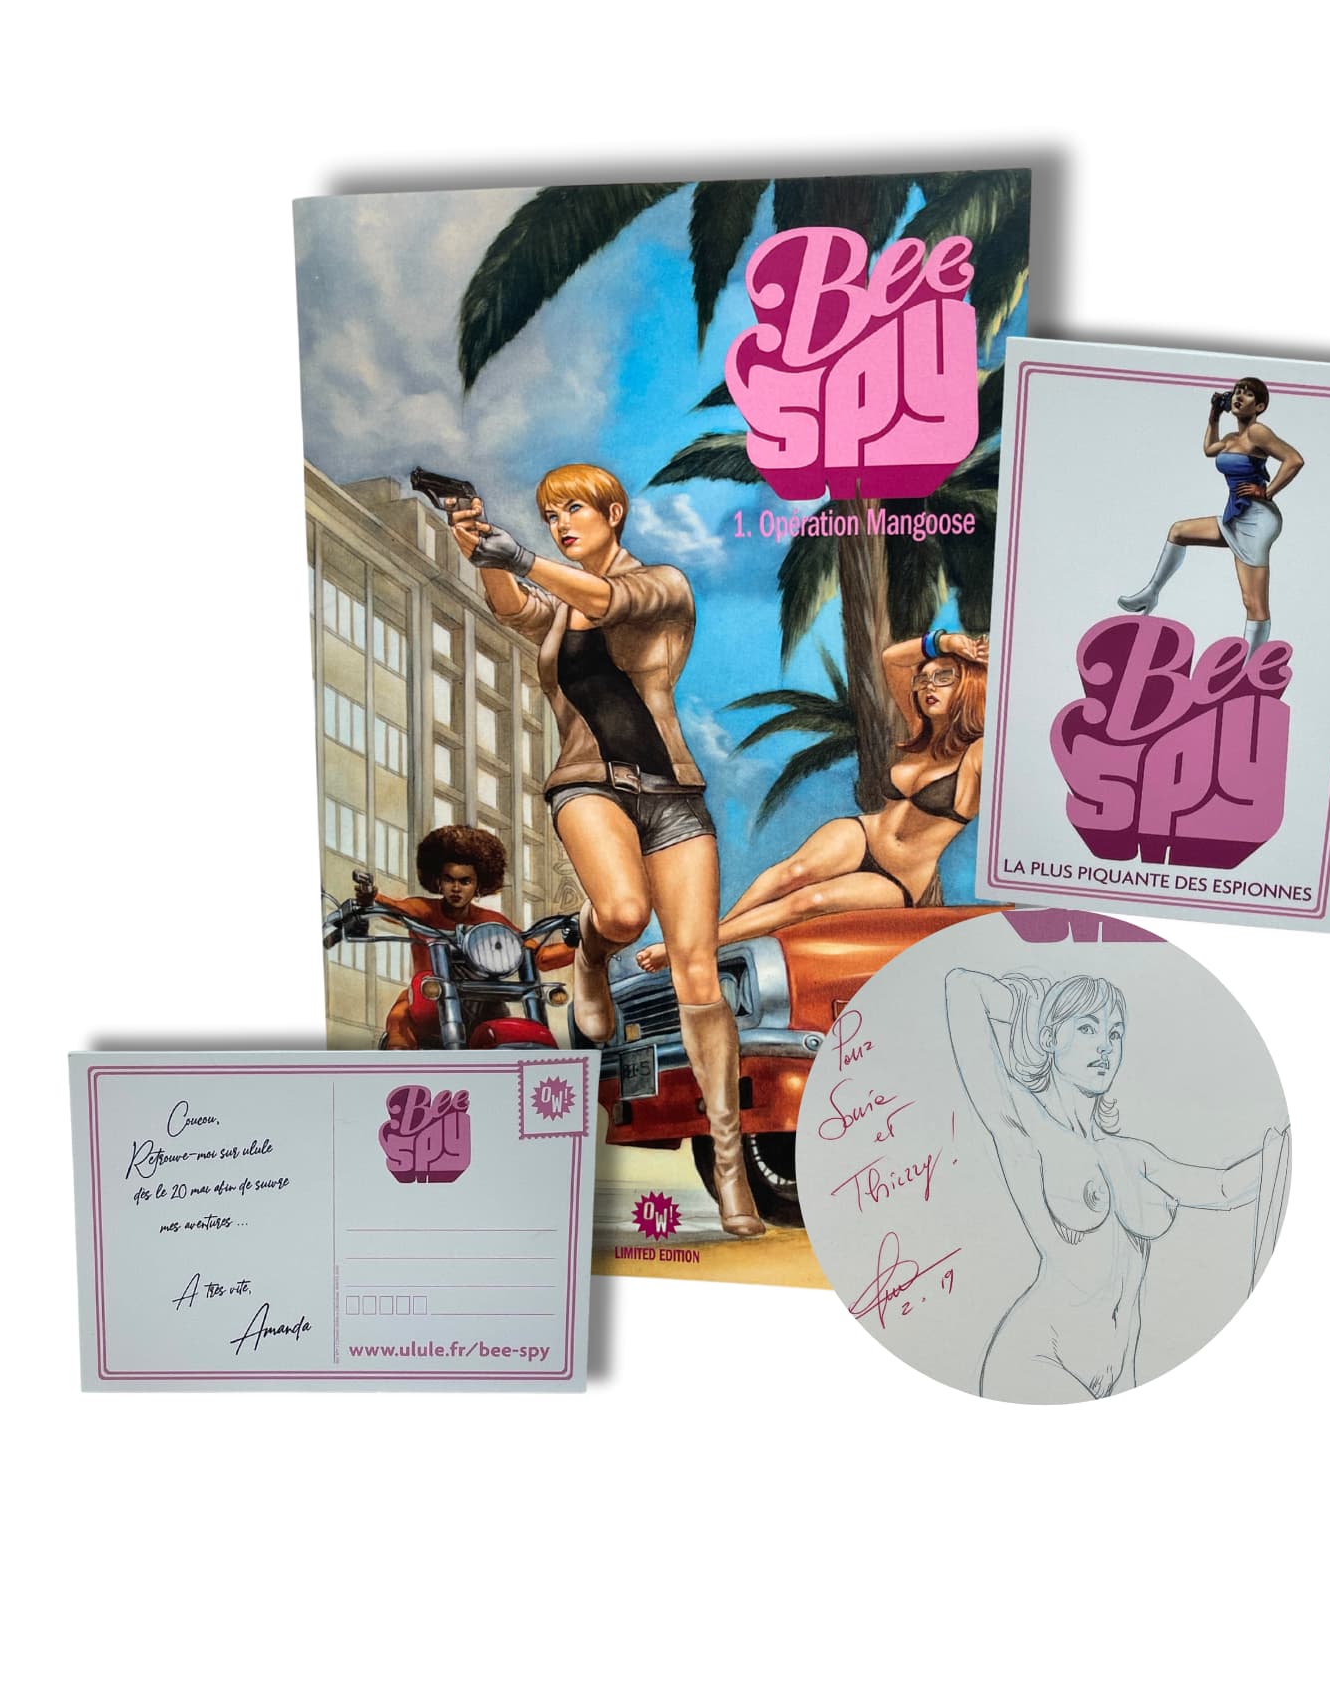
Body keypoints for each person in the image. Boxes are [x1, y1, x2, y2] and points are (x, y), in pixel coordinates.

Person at [443, 462, 764, 1238]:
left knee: (697, 972)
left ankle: (729, 1166)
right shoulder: (559, 610)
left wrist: (521, 556)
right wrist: (478, 550)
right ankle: (590, 957)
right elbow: (514, 605)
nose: (560, 525)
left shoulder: (664, 585)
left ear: (614, 513)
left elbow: (612, 601)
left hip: (672, 793)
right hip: (587, 784)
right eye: (551, 517)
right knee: (621, 912)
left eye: (573, 511)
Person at [945, 963, 1284, 1400]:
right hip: (1036, 1359)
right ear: (1049, 1038)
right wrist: (1030, 1007)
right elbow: (961, 987)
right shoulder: (1028, 1131)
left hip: (1115, 1378)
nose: (1105, 1046)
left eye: (1115, 1033)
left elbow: (1226, 1189)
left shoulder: (1133, 1157)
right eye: (1087, 1028)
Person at [634, 630, 987, 973]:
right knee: (791, 873)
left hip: (899, 877)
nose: (928, 686)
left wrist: (991, 663)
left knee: (808, 901)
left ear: (970, 685)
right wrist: (944, 642)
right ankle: (712, 940)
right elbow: (892, 658)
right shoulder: (918, 729)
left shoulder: (978, 753)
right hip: (862, 834)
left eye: (944, 677)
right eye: (923, 679)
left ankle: (688, 950)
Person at [1117, 377, 1304, 651]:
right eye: (1237, 391)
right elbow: (1208, 450)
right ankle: (1151, 593)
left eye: (1248, 394)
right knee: (1179, 531)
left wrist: (1267, 491)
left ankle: (1251, 663)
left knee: (1253, 601)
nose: (1239, 396)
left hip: (1257, 518)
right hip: (1235, 516)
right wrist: (1214, 416)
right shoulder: (1230, 439)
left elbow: (1294, 460)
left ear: (1260, 406)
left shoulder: (1258, 432)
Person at [355, 825, 518, 1050]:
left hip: (483, 1002)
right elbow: (394, 907)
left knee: (511, 1032)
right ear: (438, 881)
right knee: (399, 1022)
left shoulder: (492, 922)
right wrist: (370, 896)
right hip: (429, 998)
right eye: (449, 880)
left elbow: (535, 951)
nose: (456, 888)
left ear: (478, 884)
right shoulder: (423, 910)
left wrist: (569, 942)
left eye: (465, 881)